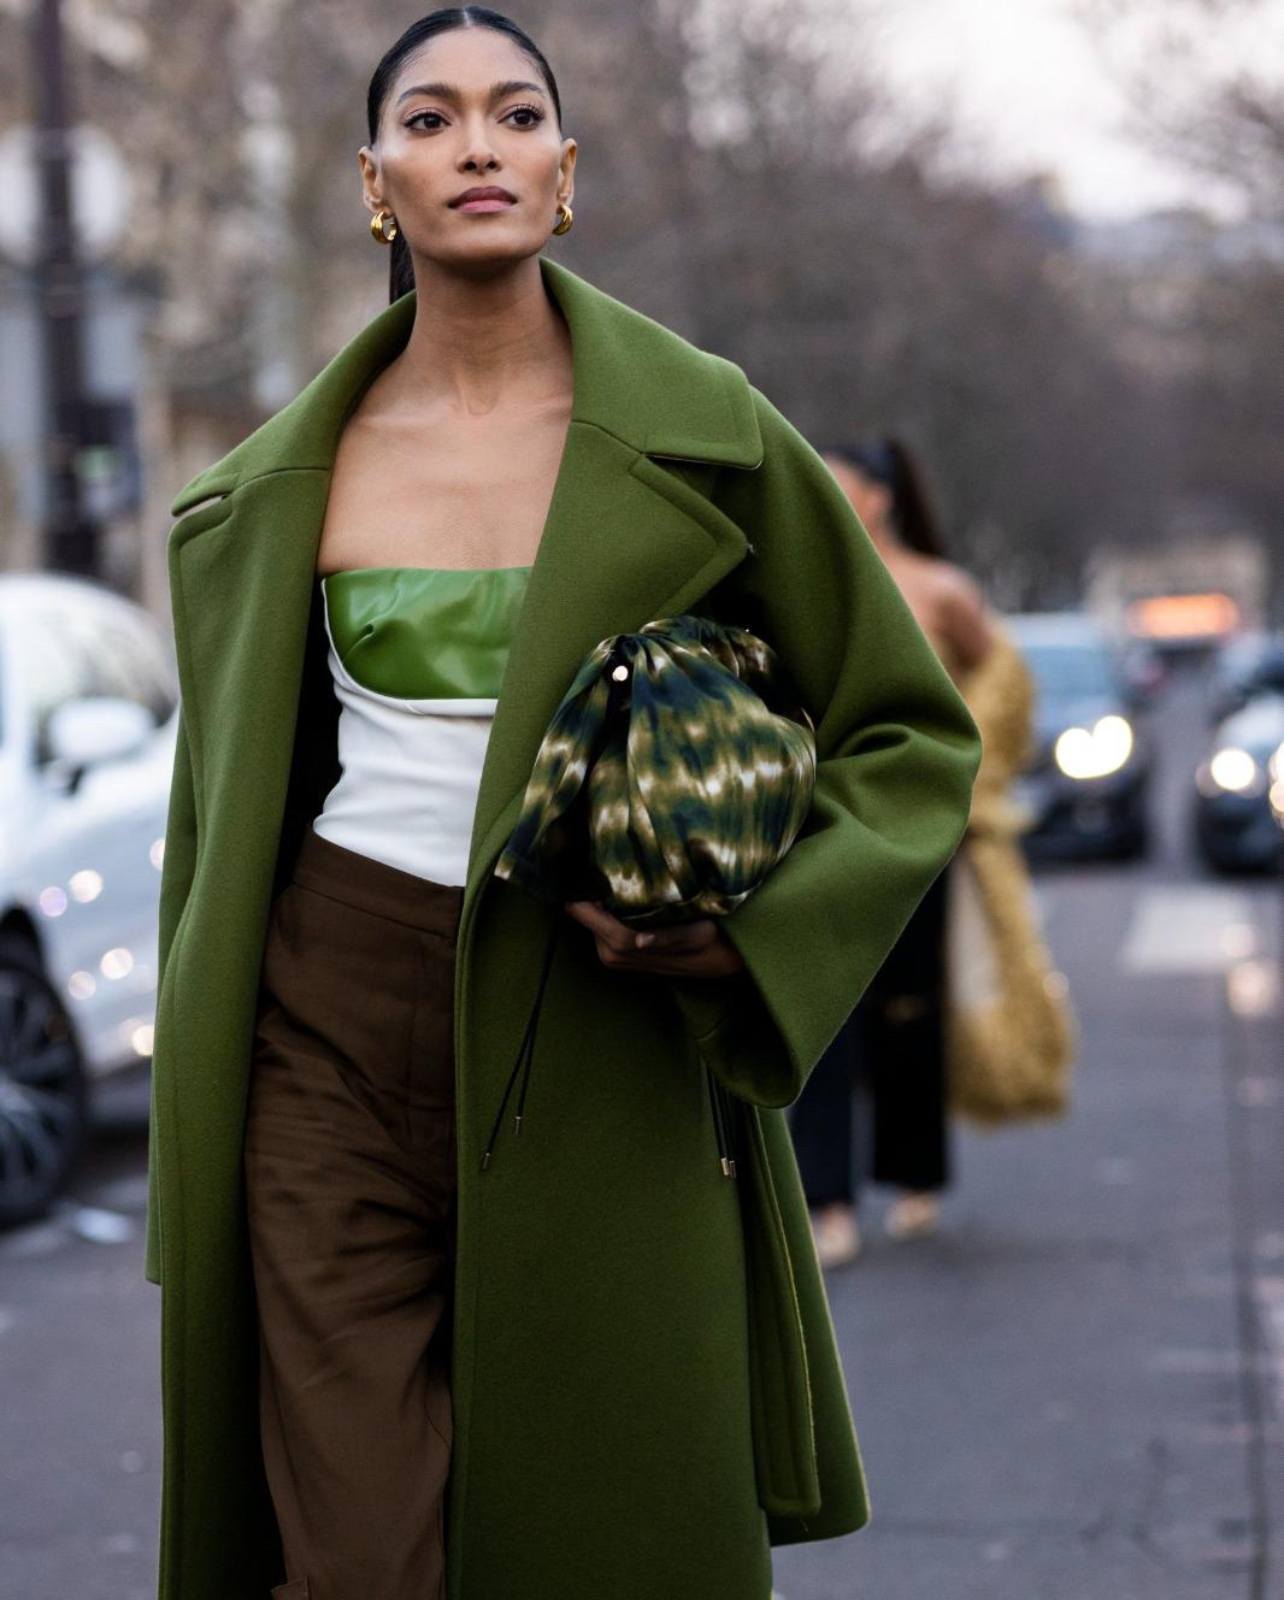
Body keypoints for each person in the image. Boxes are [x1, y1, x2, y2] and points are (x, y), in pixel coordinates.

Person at [142, 14, 981, 1600]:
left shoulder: (713, 436)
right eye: (434, 119)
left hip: (601, 1021)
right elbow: (219, 816)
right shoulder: (270, 487)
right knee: (350, 1551)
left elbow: (905, 733)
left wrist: (755, 939)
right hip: (320, 1022)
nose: (479, 144)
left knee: (602, 1525)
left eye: (517, 114)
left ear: (565, 171)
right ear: (376, 181)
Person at [792, 439, 995, 1267]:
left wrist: (972, 774)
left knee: (909, 1007)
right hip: (821, 821)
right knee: (824, 1015)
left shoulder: (941, 589)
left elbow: (996, 682)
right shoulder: (802, 579)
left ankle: (915, 1177)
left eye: (837, 481)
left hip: (919, 830)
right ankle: (827, 1201)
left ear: (877, 495)